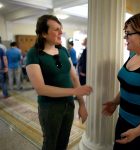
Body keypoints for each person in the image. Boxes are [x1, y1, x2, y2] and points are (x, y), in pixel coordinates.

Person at [26, 14, 92, 150]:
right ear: (44, 33)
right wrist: (75, 91)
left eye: (60, 29)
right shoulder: (34, 54)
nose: (61, 32)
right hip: (50, 108)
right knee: (50, 143)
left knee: (63, 142)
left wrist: (82, 104)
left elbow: (74, 78)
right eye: (56, 29)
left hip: (68, 106)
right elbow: (41, 88)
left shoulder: (62, 50)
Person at [102, 12, 140, 150]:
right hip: (123, 121)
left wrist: (137, 131)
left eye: (128, 33)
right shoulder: (133, 54)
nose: (125, 37)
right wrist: (115, 102)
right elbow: (127, 85)